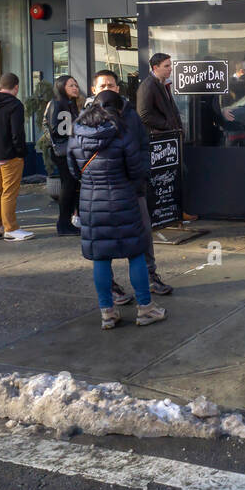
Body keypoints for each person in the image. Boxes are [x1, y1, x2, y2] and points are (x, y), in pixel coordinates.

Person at [67, 89, 166, 330]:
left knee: (100, 257)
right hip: (123, 199)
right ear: (117, 109)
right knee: (136, 253)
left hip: (91, 203)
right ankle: (145, 309)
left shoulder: (76, 135)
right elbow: (138, 171)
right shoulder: (123, 134)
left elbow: (73, 171)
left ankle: (108, 313)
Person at [93, 70, 173, 297]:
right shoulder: (87, 117)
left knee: (143, 236)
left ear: (118, 88)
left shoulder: (131, 114)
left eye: (111, 84)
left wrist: (142, 172)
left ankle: (150, 277)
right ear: (94, 90)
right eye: (102, 85)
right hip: (100, 193)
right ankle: (111, 288)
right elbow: (77, 156)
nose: (107, 88)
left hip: (133, 188)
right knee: (103, 243)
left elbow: (144, 145)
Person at [135, 53, 196, 222]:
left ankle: (176, 212)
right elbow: (144, 115)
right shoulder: (148, 86)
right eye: (166, 66)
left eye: (170, 65)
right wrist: (170, 126)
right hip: (159, 140)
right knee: (171, 176)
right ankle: (170, 213)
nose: (170, 69)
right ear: (155, 68)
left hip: (169, 139)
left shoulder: (161, 84)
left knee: (178, 174)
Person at [0, 72, 32, 241]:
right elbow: (17, 132)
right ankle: (11, 229)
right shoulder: (15, 104)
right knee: (9, 192)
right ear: (16, 87)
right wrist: (21, 152)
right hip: (10, 155)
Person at [48, 74, 82, 237]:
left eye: (75, 85)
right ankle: (64, 224)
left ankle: (68, 222)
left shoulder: (70, 104)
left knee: (71, 186)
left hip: (69, 151)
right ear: (62, 87)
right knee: (68, 187)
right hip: (63, 153)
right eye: (71, 85)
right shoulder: (59, 104)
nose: (75, 88)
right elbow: (59, 131)